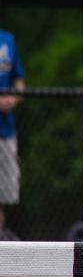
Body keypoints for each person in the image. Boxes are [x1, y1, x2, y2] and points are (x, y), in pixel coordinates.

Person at [0, 29, 25, 240]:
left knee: (3, 195)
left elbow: (19, 80)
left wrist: (13, 98)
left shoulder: (8, 40)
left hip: (6, 130)